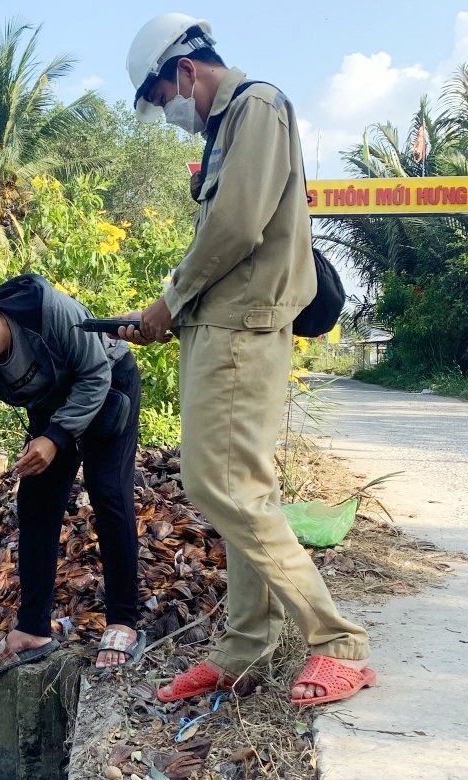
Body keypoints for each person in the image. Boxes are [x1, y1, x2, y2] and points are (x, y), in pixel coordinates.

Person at [119, 13, 374, 706]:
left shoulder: (254, 106)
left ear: (184, 72)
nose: (171, 115)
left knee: (217, 486)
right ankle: (243, 649)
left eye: (164, 100)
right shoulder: (228, 123)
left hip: (241, 332)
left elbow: (236, 225)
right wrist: (174, 312)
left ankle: (338, 642)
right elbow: (226, 241)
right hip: (220, 328)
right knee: (245, 496)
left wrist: (168, 302)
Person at [0, 275, 145, 674]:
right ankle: (33, 628)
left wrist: (54, 437)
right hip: (50, 401)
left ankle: (124, 621)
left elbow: (94, 375)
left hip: (107, 383)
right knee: (35, 503)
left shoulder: (49, 313)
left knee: (108, 491)